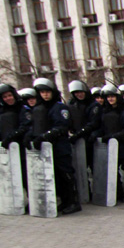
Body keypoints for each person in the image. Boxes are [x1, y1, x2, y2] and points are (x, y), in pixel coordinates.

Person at [24, 78, 82, 215]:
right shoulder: (39, 108)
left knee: (66, 175)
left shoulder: (59, 107)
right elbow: (36, 125)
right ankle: (64, 201)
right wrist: (30, 136)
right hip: (46, 149)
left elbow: (62, 126)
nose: (45, 95)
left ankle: (73, 202)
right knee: (55, 176)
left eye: (47, 92)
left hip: (60, 147)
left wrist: (45, 136)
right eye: (42, 92)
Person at [95, 85, 124, 202]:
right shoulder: (105, 112)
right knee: (113, 170)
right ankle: (118, 192)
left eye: (112, 96)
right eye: (108, 97)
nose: (110, 99)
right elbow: (103, 127)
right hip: (111, 146)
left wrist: (114, 137)